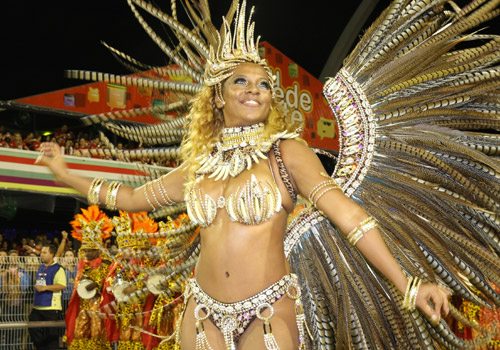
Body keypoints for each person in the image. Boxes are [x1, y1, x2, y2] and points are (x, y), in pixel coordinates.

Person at [36, 0, 500, 349]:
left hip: (267, 311)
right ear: (218, 96)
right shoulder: (199, 164)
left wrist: (410, 283)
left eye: (263, 84)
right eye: (241, 81)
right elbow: (128, 198)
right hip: (201, 309)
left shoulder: (288, 152)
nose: (255, 90)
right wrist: (63, 171)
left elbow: (349, 217)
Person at [64, 206, 112, 350]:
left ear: (97, 250)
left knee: (97, 334)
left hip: (99, 306)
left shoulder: (106, 266)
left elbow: (108, 287)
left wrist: (98, 286)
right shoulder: (82, 266)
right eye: (85, 250)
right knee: (79, 332)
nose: (87, 253)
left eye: (90, 250)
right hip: (83, 306)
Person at [28, 243, 66, 350]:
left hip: (51, 307)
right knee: (33, 327)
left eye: (44, 252)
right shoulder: (41, 267)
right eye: (41, 252)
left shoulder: (58, 269)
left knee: (51, 336)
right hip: (38, 306)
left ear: (52, 255)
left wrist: (45, 288)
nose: (41, 255)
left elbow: (62, 285)